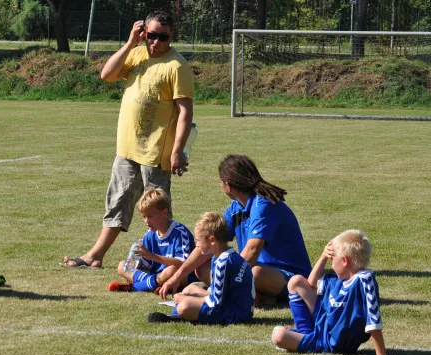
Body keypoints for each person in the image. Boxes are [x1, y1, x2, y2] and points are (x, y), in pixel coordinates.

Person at [62, 10, 194, 269]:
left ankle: (166, 263)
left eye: (163, 37)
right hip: (127, 148)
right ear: (144, 33)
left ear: (171, 37)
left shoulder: (178, 66)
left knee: (157, 211)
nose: (156, 42)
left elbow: (186, 112)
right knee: (117, 202)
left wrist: (177, 150)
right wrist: (130, 43)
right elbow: (107, 75)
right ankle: (95, 256)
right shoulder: (136, 53)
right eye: (152, 35)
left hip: (156, 153)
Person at [161, 154, 311, 307]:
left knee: (255, 274)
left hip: (289, 275)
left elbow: (253, 250)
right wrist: (178, 276)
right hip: (253, 269)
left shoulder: (263, 204)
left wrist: (225, 283)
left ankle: (231, 293)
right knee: (202, 266)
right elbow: (208, 242)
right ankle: (257, 296)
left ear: (228, 185)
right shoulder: (235, 208)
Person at [271, 230, 386, 355]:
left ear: (344, 261)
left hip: (330, 344)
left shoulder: (364, 280)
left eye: (332, 259)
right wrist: (323, 257)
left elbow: (373, 320)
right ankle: (303, 333)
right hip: (322, 328)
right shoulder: (335, 281)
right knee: (296, 282)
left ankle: (296, 339)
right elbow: (311, 282)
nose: (331, 264)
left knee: (278, 335)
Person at [147, 212, 254, 324]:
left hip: (235, 314)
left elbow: (215, 302)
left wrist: (187, 299)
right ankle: (179, 314)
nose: (196, 245)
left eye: (198, 240)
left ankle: (177, 316)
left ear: (212, 240)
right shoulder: (222, 256)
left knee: (184, 306)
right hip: (232, 304)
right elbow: (214, 292)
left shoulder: (224, 262)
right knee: (190, 289)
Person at [108, 188, 196, 293]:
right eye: (144, 217)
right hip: (157, 276)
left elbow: (184, 264)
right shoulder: (150, 235)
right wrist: (136, 255)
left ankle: (135, 287)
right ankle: (155, 284)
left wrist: (152, 256)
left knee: (170, 271)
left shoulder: (180, 233)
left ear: (164, 213)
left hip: (180, 276)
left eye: (150, 216)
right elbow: (143, 263)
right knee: (122, 266)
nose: (146, 221)